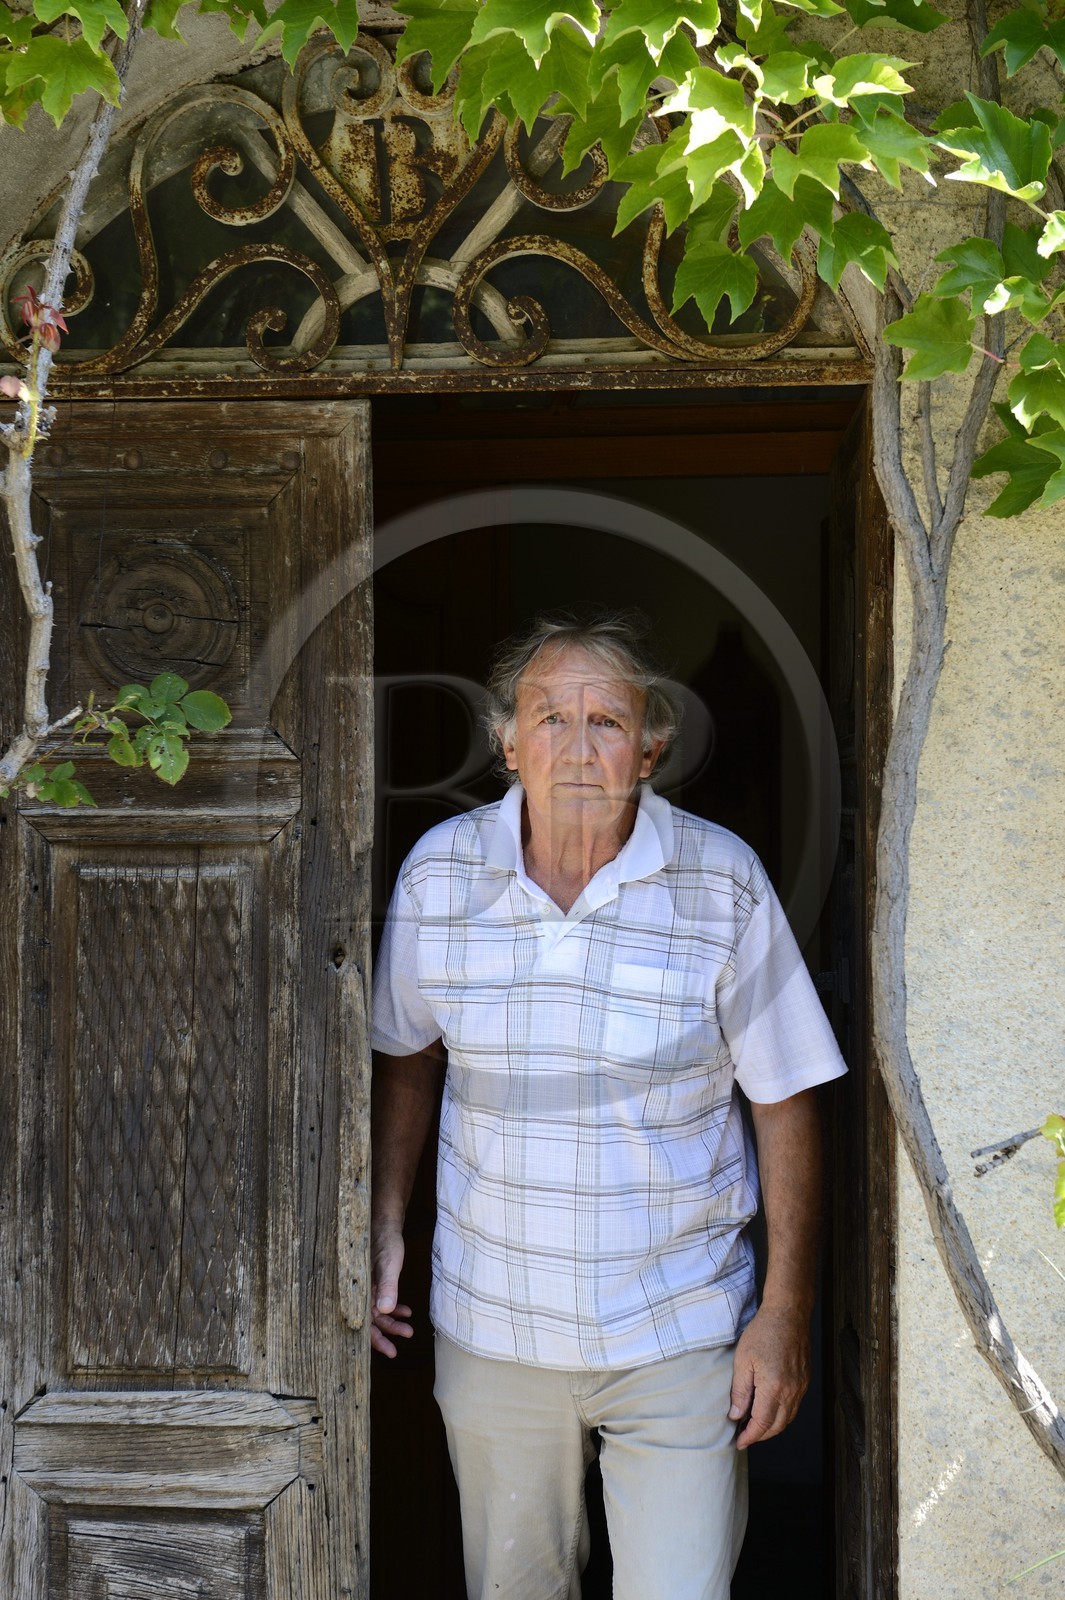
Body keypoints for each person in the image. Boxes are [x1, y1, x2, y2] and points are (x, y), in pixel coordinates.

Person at [370, 611, 846, 1600]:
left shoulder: (722, 884)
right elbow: (408, 1058)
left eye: (607, 722)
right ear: (508, 744)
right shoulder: (439, 875)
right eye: (551, 718)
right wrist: (381, 1220)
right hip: (496, 1328)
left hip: (679, 1333)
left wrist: (783, 1313)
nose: (578, 747)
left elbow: (787, 1097)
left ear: (651, 751)